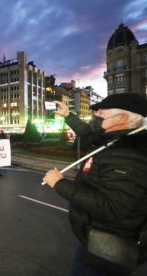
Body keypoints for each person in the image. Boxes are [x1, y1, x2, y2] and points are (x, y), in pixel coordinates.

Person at [43, 93, 147, 276]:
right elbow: (91, 138)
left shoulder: (130, 154)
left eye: (101, 112)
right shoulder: (119, 138)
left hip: (108, 249)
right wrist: (68, 115)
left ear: (121, 117)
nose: (96, 115)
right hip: (97, 239)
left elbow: (112, 207)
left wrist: (59, 184)